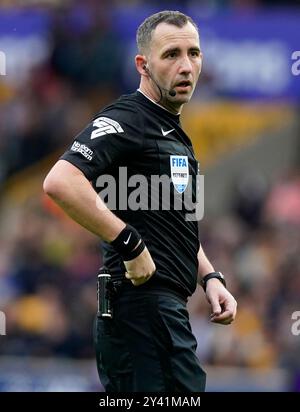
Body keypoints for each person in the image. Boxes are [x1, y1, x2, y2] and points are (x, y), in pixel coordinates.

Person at [43, 10, 237, 392]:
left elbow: (179, 222)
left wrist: (209, 277)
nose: (186, 66)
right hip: (139, 310)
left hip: (165, 312)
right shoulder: (129, 117)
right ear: (142, 65)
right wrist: (129, 242)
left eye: (193, 53)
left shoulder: (175, 134)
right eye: (171, 55)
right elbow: (60, 181)